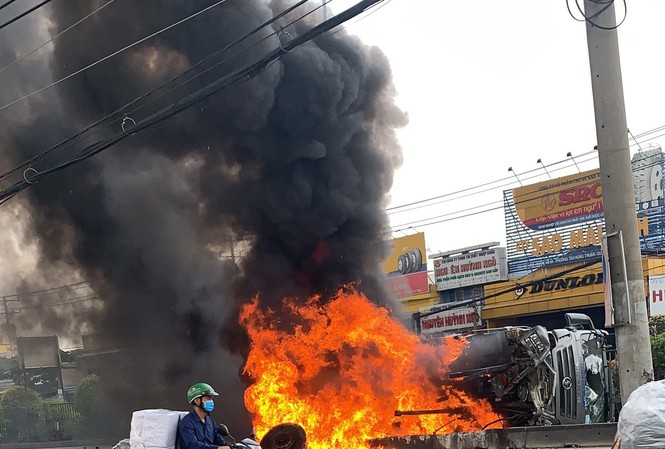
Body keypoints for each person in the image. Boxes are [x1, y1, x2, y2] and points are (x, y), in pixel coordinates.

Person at [178, 382, 232, 449]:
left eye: (211, 399)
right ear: (197, 401)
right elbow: (193, 445)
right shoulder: (187, 423)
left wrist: (232, 447)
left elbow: (219, 440)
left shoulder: (210, 422)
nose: (211, 401)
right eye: (208, 398)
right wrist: (217, 448)